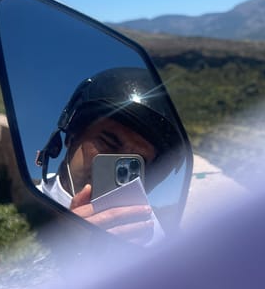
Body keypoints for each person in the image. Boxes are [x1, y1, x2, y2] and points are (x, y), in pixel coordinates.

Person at [35, 67, 185, 245]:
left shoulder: (153, 240)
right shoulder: (27, 204)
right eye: (110, 143)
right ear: (71, 136)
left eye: (137, 162)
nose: (119, 166)